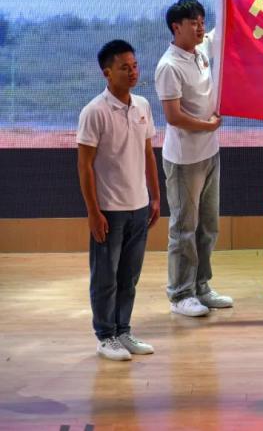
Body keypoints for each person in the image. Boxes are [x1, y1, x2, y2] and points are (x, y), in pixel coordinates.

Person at [77, 40, 160, 361]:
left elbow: (148, 153)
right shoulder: (94, 112)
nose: (133, 72)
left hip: (139, 207)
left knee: (129, 277)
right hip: (109, 210)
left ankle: (123, 330)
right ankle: (105, 336)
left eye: (135, 66)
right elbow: (85, 166)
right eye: (124, 67)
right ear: (107, 73)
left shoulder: (143, 105)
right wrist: (93, 212)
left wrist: (155, 197)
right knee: (105, 277)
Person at [155, 0, 232, 317]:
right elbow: (173, 116)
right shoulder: (168, 66)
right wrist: (208, 125)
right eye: (193, 23)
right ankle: (180, 294)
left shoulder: (200, 50)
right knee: (184, 228)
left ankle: (201, 286)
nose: (200, 28)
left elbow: (223, 30)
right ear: (176, 27)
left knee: (208, 226)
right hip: (184, 159)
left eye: (202, 22)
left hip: (210, 153)